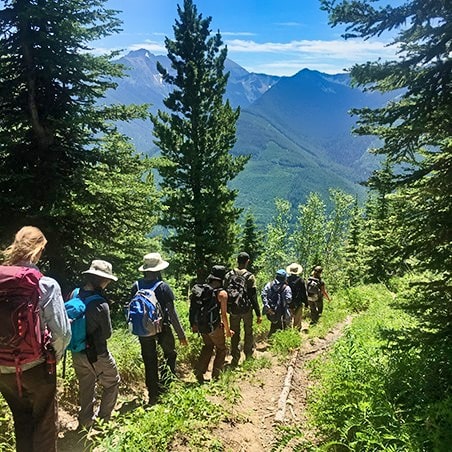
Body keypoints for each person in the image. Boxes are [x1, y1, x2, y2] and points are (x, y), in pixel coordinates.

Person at [0, 226, 71, 452]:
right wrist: (54, 356)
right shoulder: (45, 284)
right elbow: (62, 333)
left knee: (22, 423)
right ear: (39, 250)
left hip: (3, 368)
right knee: (44, 428)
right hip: (37, 367)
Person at [130, 253, 188, 405]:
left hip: (143, 330)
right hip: (163, 328)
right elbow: (172, 314)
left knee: (149, 361)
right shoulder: (163, 287)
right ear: (158, 270)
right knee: (169, 355)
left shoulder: (135, 286)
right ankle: (166, 388)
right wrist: (181, 335)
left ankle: (153, 395)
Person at [70, 259, 120, 429]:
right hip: (97, 353)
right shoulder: (100, 303)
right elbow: (107, 334)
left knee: (86, 386)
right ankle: (102, 421)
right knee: (112, 382)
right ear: (102, 280)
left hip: (76, 351)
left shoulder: (75, 294)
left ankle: (84, 422)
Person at [191, 265, 233, 383]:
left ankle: (199, 372)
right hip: (214, 326)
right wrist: (228, 330)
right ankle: (216, 376)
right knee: (221, 349)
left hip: (202, 325)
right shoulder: (222, 294)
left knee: (208, 346)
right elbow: (224, 315)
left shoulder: (202, 290)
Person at [224, 252, 261, 367]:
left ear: (237, 261)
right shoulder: (250, 276)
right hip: (246, 309)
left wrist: (224, 310)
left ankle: (235, 358)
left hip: (233, 309)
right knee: (248, 331)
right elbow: (253, 296)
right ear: (247, 261)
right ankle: (248, 355)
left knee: (234, 333)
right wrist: (258, 313)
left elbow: (225, 292)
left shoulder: (228, 275)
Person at [261, 269, 292, 337]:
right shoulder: (286, 288)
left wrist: (267, 307)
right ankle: (282, 337)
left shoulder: (269, 285)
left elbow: (263, 295)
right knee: (284, 324)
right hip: (282, 311)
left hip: (270, 310)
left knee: (274, 323)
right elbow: (289, 300)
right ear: (284, 278)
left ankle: (271, 337)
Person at [285, 263, 308, 330]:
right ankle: (296, 332)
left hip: (288, 302)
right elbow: (304, 292)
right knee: (297, 319)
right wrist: (306, 303)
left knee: (288, 319)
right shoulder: (301, 280)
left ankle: (287, 332)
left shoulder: (286, 280)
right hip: (298, 302)